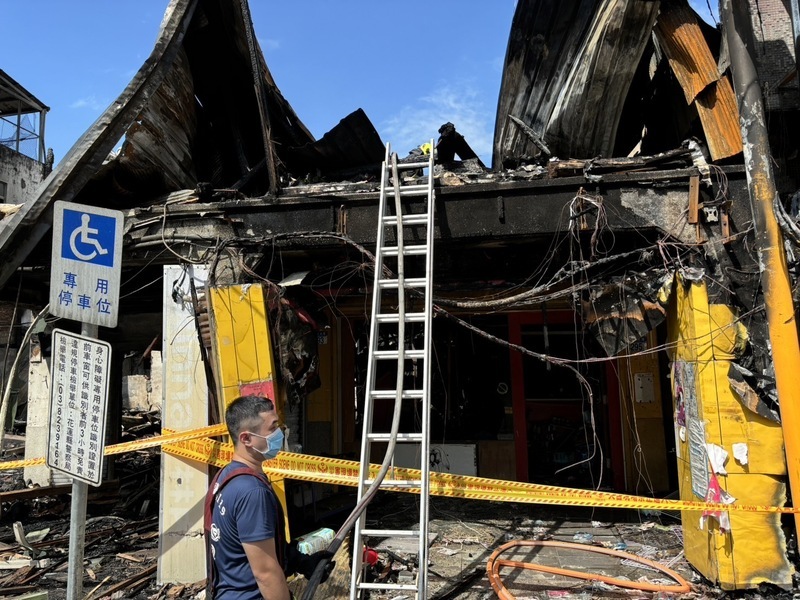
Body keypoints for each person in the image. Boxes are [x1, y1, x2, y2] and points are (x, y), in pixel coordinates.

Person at [204, 395, 330, 599]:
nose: (280, 433)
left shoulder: (226, 476)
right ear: (246, 438)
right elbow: (266, 574)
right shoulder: (252, 492)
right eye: (272, 429)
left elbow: (251, 546)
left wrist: (302, 562)